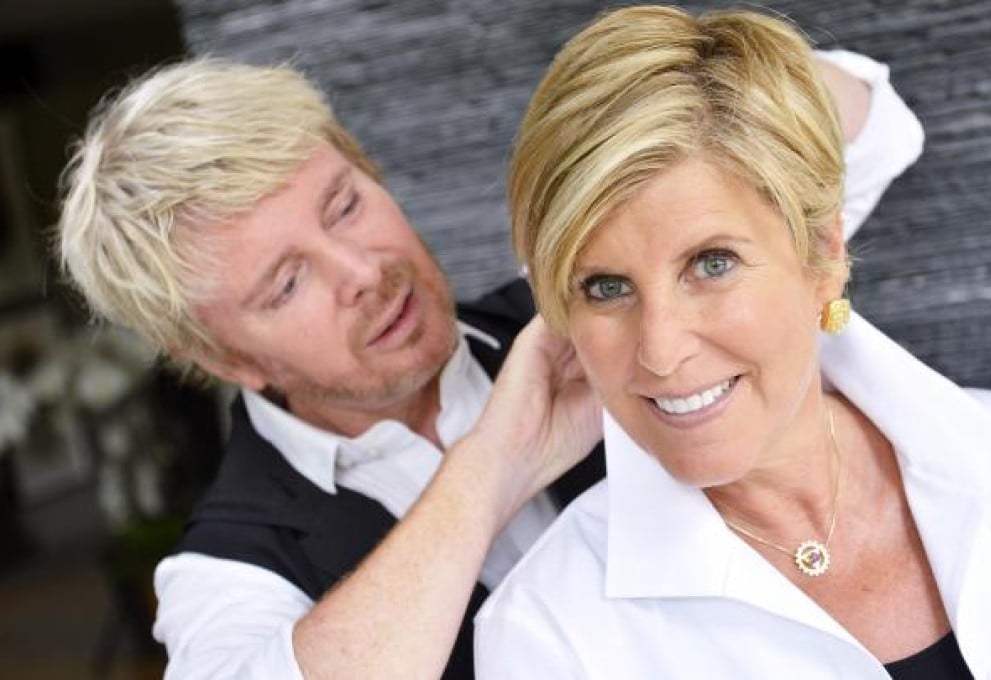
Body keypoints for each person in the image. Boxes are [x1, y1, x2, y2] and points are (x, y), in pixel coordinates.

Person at [55, 31, 921, 678]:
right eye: (286, 285)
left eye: (344, 205)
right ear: (218, 357)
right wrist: (494, 461)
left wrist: (665, 122)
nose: (363, 272)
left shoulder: (592, 307)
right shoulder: (227, 564)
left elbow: (875, 126)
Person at [475, 6, 991, 679]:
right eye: (607, 288)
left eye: (711, 264)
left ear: (822, 253)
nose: (661, 352)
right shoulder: (548, 638)